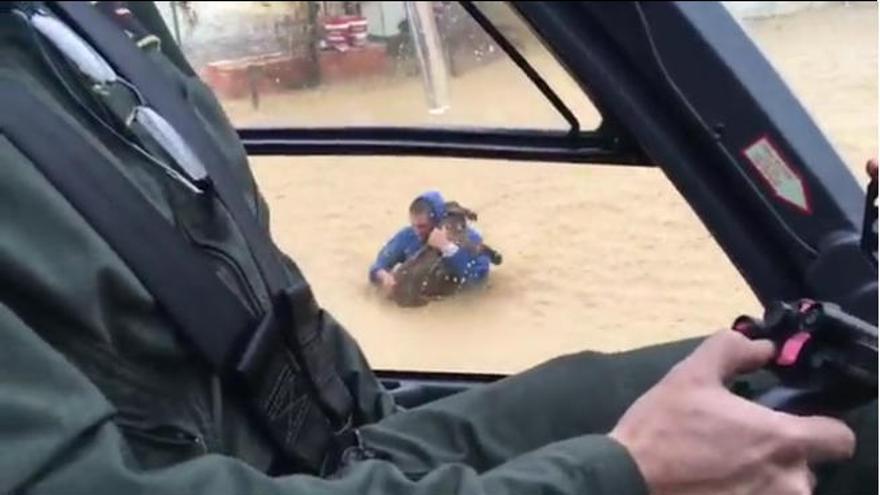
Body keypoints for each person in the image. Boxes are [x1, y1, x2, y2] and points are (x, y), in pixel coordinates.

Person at [0, 3, 875, 495]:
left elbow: (255, 281)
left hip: (349, 439)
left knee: (813, 386)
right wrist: (619, 473)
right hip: (243, 474)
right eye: (428, 226)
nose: (431, 229)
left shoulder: (89, 29)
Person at [369, 191, 492, 299]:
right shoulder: (408, 235)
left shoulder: (470, 238)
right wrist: (382, 276)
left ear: (437, 221)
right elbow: (378, 265)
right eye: (414, 225)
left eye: (422, 226)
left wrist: (447, 248)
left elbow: (477, 282)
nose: (417, 231)